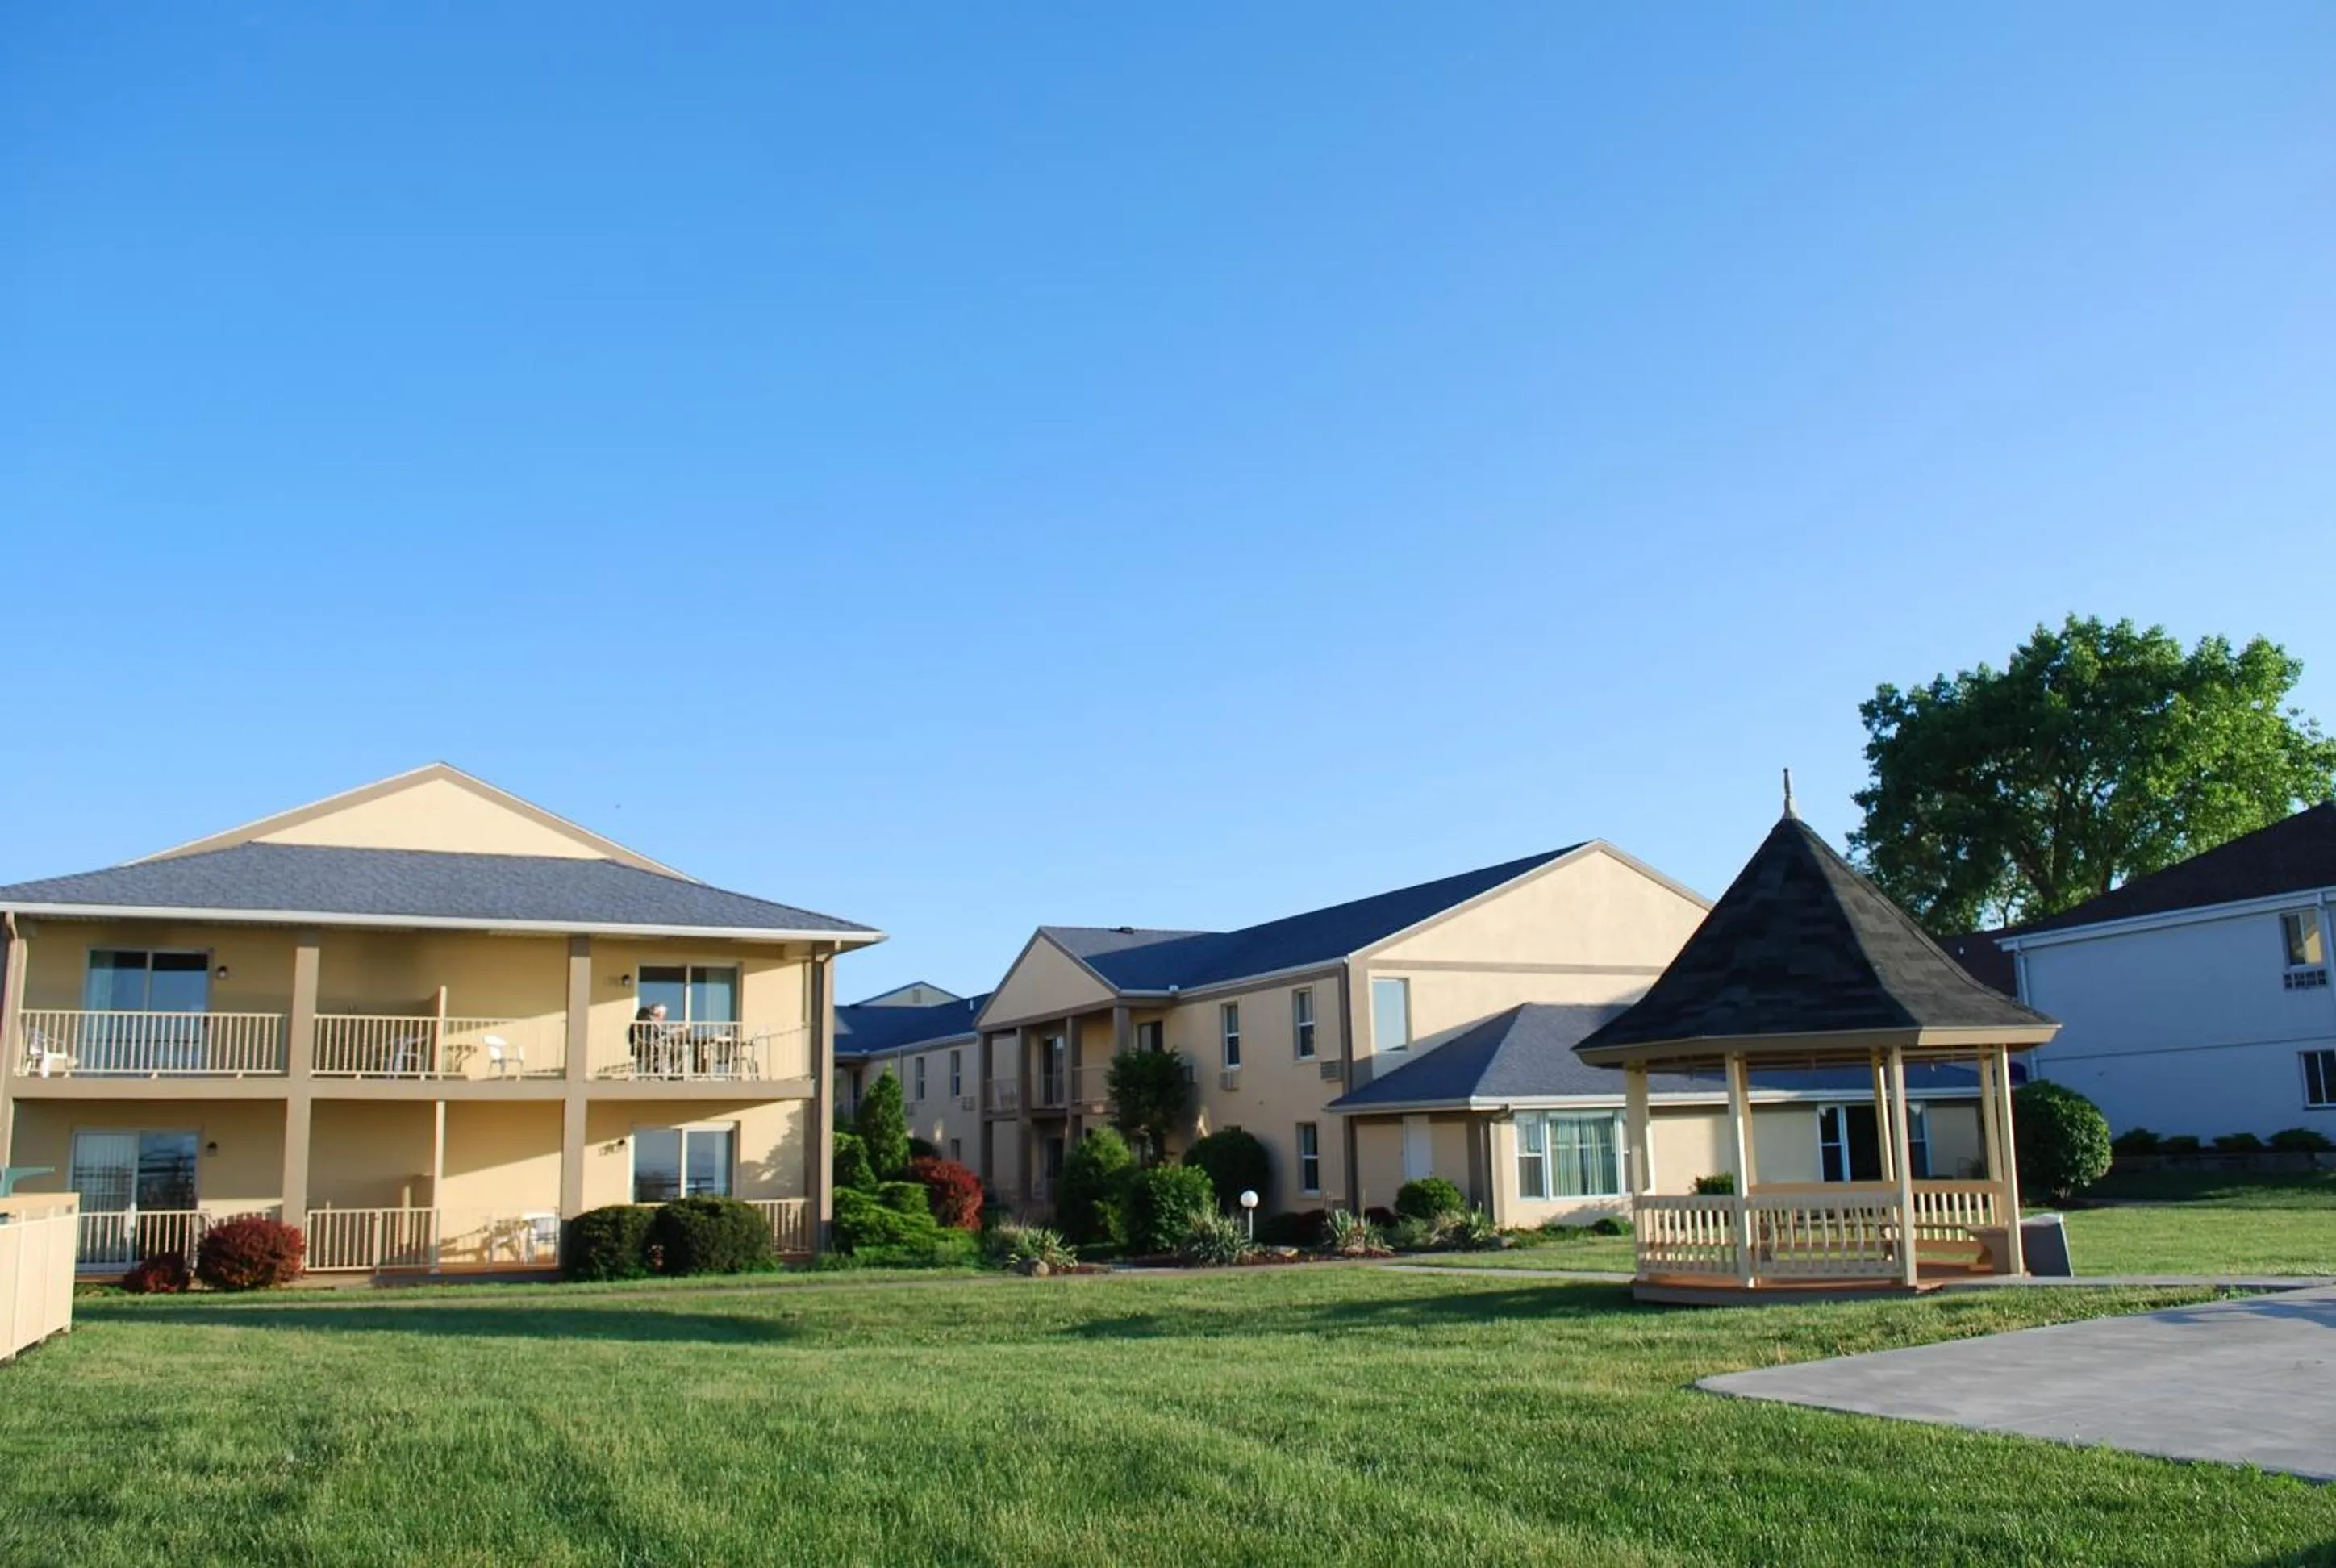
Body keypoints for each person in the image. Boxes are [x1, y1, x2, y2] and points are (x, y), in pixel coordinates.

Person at [628, 1003, 673, 1074]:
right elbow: (658, 1033)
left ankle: (661, 1069)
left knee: (662, 1048)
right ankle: (664, 1069)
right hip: (646, 1044)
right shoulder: (649, 1023)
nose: (663, 1017)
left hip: (643, 1044)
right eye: (662, 1014)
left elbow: (660, 1033)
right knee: (662, 1047)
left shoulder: (643, 1023)